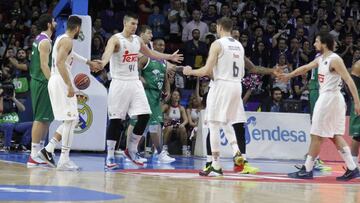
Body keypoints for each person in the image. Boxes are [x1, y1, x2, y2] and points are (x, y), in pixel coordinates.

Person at [183, 17, 279, 176]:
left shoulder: (217, 44)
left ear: (219, 27)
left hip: (222, 85)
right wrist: (271, 71)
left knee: (213, 124)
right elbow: (253, 68)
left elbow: (206, 71)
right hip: (236, 87)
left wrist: (189, 71)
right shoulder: (239, 45)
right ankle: (236, 151)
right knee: (227, 121)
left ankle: (215, 165)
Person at [99, 13, 183, 170]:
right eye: (132, 23)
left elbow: (151, 54)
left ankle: (131, 149)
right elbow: (107, 54)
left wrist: (169, 56)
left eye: (136, 24)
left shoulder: (137, 40)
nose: (135, 26)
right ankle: (110, 156)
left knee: (145, 115)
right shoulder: (116, 39)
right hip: (119, 82)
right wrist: (102, 62)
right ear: (125, 23)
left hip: (134, 83)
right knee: (116, 121)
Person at [280, 33, 360, 181]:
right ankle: (352, 168)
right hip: (331, 99)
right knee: (334, 135)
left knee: (316, 135)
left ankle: (307, 169)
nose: (314, 43)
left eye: (316, 41)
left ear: (324, 43)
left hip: (330, 98)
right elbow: (304, 68)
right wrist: (288, 75)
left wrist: (357, 102)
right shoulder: (321, 59)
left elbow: (349, 80)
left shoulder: (335, 59)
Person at [37, 16, 102, 170]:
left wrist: (89, 62)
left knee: (71, 120)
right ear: (78, 28)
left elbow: (71, 56)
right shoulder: (67, 41)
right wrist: (69, 85)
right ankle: (63, 159)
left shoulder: (62, 38)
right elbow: (60, 62)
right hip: (61, 80)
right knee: (71, 119)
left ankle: (49, 150)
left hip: (57, 80)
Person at [128, 38, 176, 163]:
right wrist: (139, 77)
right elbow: (135, 66)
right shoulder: (147, 57)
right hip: (146, 93)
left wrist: (168, 90)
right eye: (159, 44)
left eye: (163, 44)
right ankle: (139, 152)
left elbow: (165, 77)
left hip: (156, 96)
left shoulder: (163, 61)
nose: (162, 46)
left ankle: (157, 153)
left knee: (155, 126)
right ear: (153, 46)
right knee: (140, 124)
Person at [27, 14, 60, 167]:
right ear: (48, 24)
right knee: (40, 118)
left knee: (46, 119)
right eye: (54, 21)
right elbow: (44, 66)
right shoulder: (45, 42)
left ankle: (39, 152)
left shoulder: (41, 39)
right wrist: (53, 81)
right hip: (42, 82)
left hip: (39, 81)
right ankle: (33, 154)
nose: (56, 22)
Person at [349, 60, 360, 169]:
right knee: (357, 135)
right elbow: (351, 87)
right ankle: (352, 166)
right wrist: (356, 102)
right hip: (359, 102)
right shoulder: (358, 65)